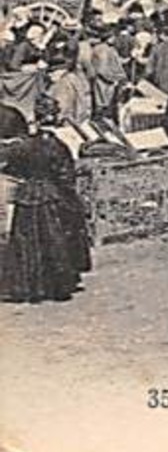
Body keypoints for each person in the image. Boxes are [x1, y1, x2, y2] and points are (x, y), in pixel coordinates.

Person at [1, 96, 92, 303]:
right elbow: (65, 175)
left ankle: (29, 286)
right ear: (56, 118)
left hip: (27, 195)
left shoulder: (23, 146)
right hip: (51, 195)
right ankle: (57, 285)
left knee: (27, 244)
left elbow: (12, 166)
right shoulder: (58, 146)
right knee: (54, 241)